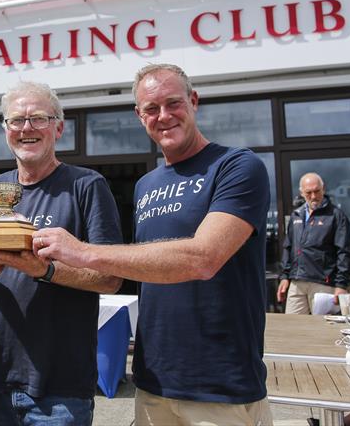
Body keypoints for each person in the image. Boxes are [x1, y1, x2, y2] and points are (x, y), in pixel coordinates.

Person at [33, 64, 272, 426]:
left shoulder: (236, 166)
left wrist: (84, 251)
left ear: (193, 101)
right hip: (153, 383)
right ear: (139, 115)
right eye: (151, 108)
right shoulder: (146, 185)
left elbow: (203, 258)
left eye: (173, 103)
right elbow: (143, 265)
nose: (163, 116)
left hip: (221, 386)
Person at [0, 81, 123, 426]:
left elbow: (110, 278)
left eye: (39, 119)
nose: (26, 128)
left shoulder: (86, 186)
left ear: (58, 128)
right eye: (16, 120)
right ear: (5, 130)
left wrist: (44, 270)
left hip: (61, 383)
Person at [277, 172, 350, 314]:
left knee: (324, 331)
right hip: (296, 282)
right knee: (294, 331)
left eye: (317, 191)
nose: (313, 196)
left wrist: (341, 284)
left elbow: (345, 252)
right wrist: (284, 277)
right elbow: (288, 248)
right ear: (301, 193)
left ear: (323, 189)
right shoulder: (296, 216)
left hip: (323, 283)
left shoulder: (336, 216)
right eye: (308, 192)